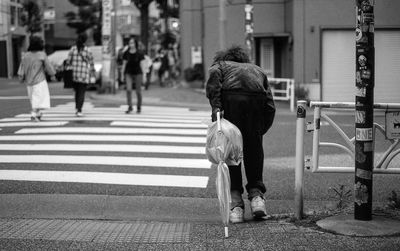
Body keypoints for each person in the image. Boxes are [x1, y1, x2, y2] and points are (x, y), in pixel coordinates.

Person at [205, 45, 276, 223]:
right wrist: (260, 130)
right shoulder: (257, 70)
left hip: (231, 102)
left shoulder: (220, 66)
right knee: (254, 152)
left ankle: (236, 205)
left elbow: (213, 86)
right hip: (256, 103)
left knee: (231, 153)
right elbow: (270, 106)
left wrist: (217, 112)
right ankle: (257, 199)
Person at [18, 36, 56, 122]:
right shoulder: (42, 54)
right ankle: (33, 113)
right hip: (40, 80)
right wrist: (53, 75)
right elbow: (48, 66)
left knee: (34, 98)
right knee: (39, 98)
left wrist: (21, 77)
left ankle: (38, 113)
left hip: (29, 81)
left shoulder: (26, 55)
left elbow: (22, 67)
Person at [66, 33, 95, 117]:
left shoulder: (73, 49)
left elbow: (68, 61)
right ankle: (79, 110)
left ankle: (77, 107)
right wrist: (93, 72)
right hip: (84, 74)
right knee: (81, 92)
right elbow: (91, 63)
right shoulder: (87, 50)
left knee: (77, 92)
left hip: (74, 74)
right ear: (85, 40)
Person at [121, 37, 145, 114]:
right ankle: (130, 106)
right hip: (128, 72)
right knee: (128, 89)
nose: (131, 44)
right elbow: (124, 64)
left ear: (135, 44)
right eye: (130, 43)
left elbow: (142, 65)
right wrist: (122, 74)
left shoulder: (139, 53)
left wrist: (144, 76)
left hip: (138, 73)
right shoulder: (126, 53)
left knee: (138, 91)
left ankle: (139, 107)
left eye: (133, 43)